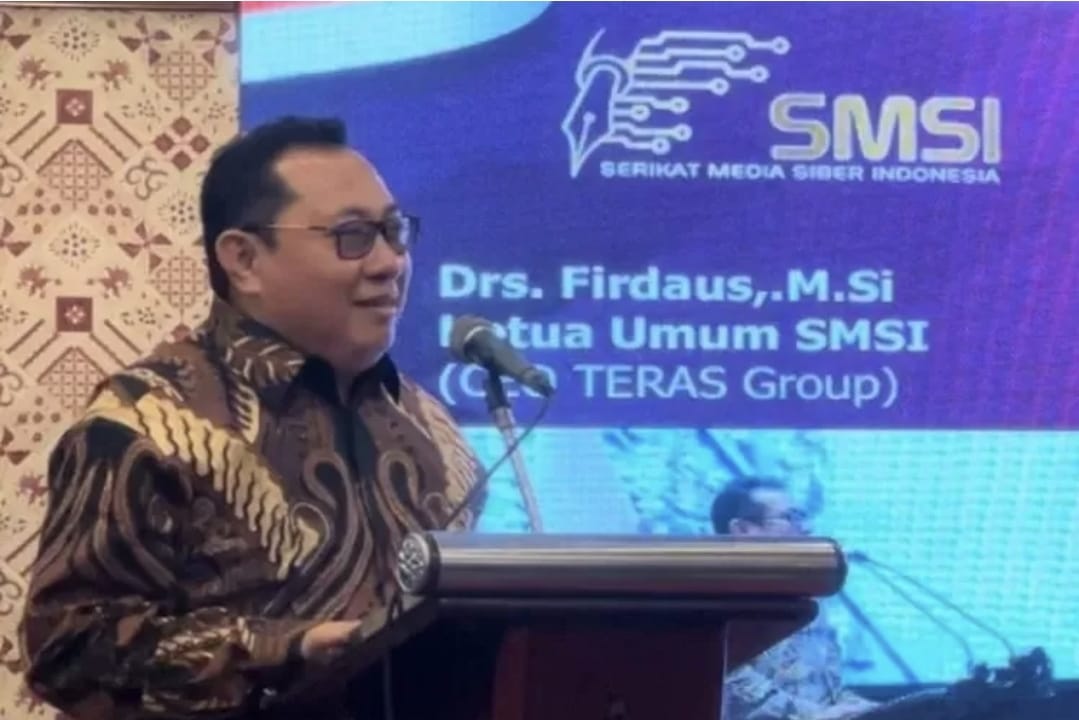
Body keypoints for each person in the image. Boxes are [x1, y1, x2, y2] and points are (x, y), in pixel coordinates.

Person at [18, 117, 483, 719]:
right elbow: (68, 648)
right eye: (352, 236)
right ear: (243, 260)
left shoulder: (431, 428)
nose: (390, 262)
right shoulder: (144, 423)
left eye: (395, 232)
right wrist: (283, 649)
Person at [712, 478, 879, 720]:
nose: (806, 528)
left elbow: (825, 689)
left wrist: (866, 708)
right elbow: (727, 677)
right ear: (743, 530)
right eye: (790, 517)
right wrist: (815, 714)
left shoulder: (809, 598)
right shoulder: (716, 599)